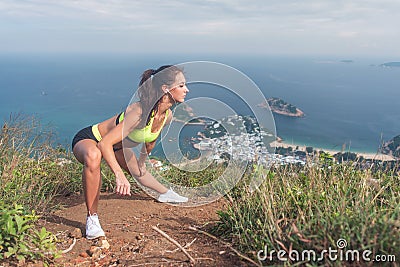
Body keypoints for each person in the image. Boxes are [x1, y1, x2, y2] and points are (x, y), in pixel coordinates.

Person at [71, 65, 189, 239]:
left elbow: (151, 139)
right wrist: (119, 174)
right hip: (92, 139)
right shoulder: (139, 112)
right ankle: (92, 219)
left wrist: (142, 161)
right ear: (166, 89)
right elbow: (104, 144)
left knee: (140, 172)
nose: (187, 89)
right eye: (181, 85)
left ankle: (165, 194)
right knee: (94, 156)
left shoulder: (167, 115)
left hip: (117, 147)